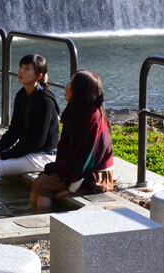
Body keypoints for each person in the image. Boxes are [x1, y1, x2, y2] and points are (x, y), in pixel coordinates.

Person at [30, 70, 115, 210]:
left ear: (80, 90)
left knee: (42, 186)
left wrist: (72, 190)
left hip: (95, 176)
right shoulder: (76, 110)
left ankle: (41, 223)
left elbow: (86, 161)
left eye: (71, 84)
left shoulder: (93, 118)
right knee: (40, 182)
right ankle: (32, 217)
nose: (66, 86)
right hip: (76, 170)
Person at [0, 54, 60, 189]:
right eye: (21, 67)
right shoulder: (21, 95)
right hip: (28, 151)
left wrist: (4, 155)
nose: (21, 71)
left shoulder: (45, 100)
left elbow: (37, 141)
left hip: (44, 155)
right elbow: (14, 130)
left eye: (27, 69)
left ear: (39, 76)